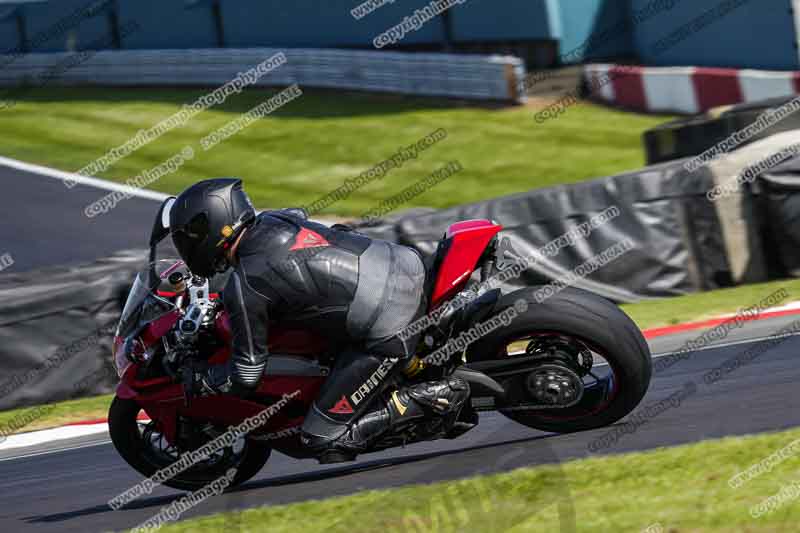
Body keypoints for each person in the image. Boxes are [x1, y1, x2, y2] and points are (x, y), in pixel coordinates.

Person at [168, 178, 471, 463]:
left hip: (392, 326)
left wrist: (203, 380)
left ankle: (437, 398)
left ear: (213, 227)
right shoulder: (276, 219)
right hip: (406, 264)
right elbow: (302, 224)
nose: (187, 244)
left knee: (321, 438)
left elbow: (247, 374)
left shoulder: (246, 285)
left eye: (189, 236)